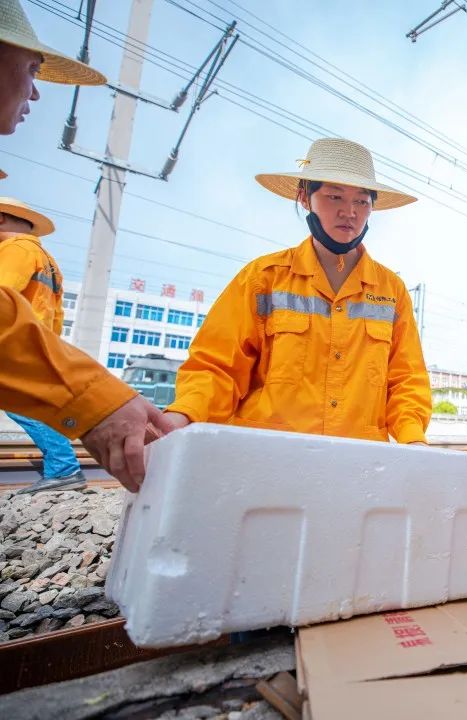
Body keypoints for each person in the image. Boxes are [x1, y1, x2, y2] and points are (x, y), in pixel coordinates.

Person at [0, 0, 170, 491]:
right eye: (31, 69)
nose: (34, 91)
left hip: (26, 360)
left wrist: (89, 396)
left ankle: (61, 469)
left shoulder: (15, 252)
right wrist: (90, 395)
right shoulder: (41, 254)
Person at [163, 138, 431, 443]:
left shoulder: (391, 291)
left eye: (361, 201)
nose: (349, 212)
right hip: (267, 458)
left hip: (358, 464)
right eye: (334, 197)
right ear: (305, 198)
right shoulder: (263, 279)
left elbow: (406, 380)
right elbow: (217, 367)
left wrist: (413, 439)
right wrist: (182, 413)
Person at [0, 199, 84, 493]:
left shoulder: (15, 250)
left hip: (14, 342)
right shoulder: (47, 259)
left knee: (22, 406)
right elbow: (57, 313)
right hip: (35, 341)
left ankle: (63, 469)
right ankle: (63, 468)